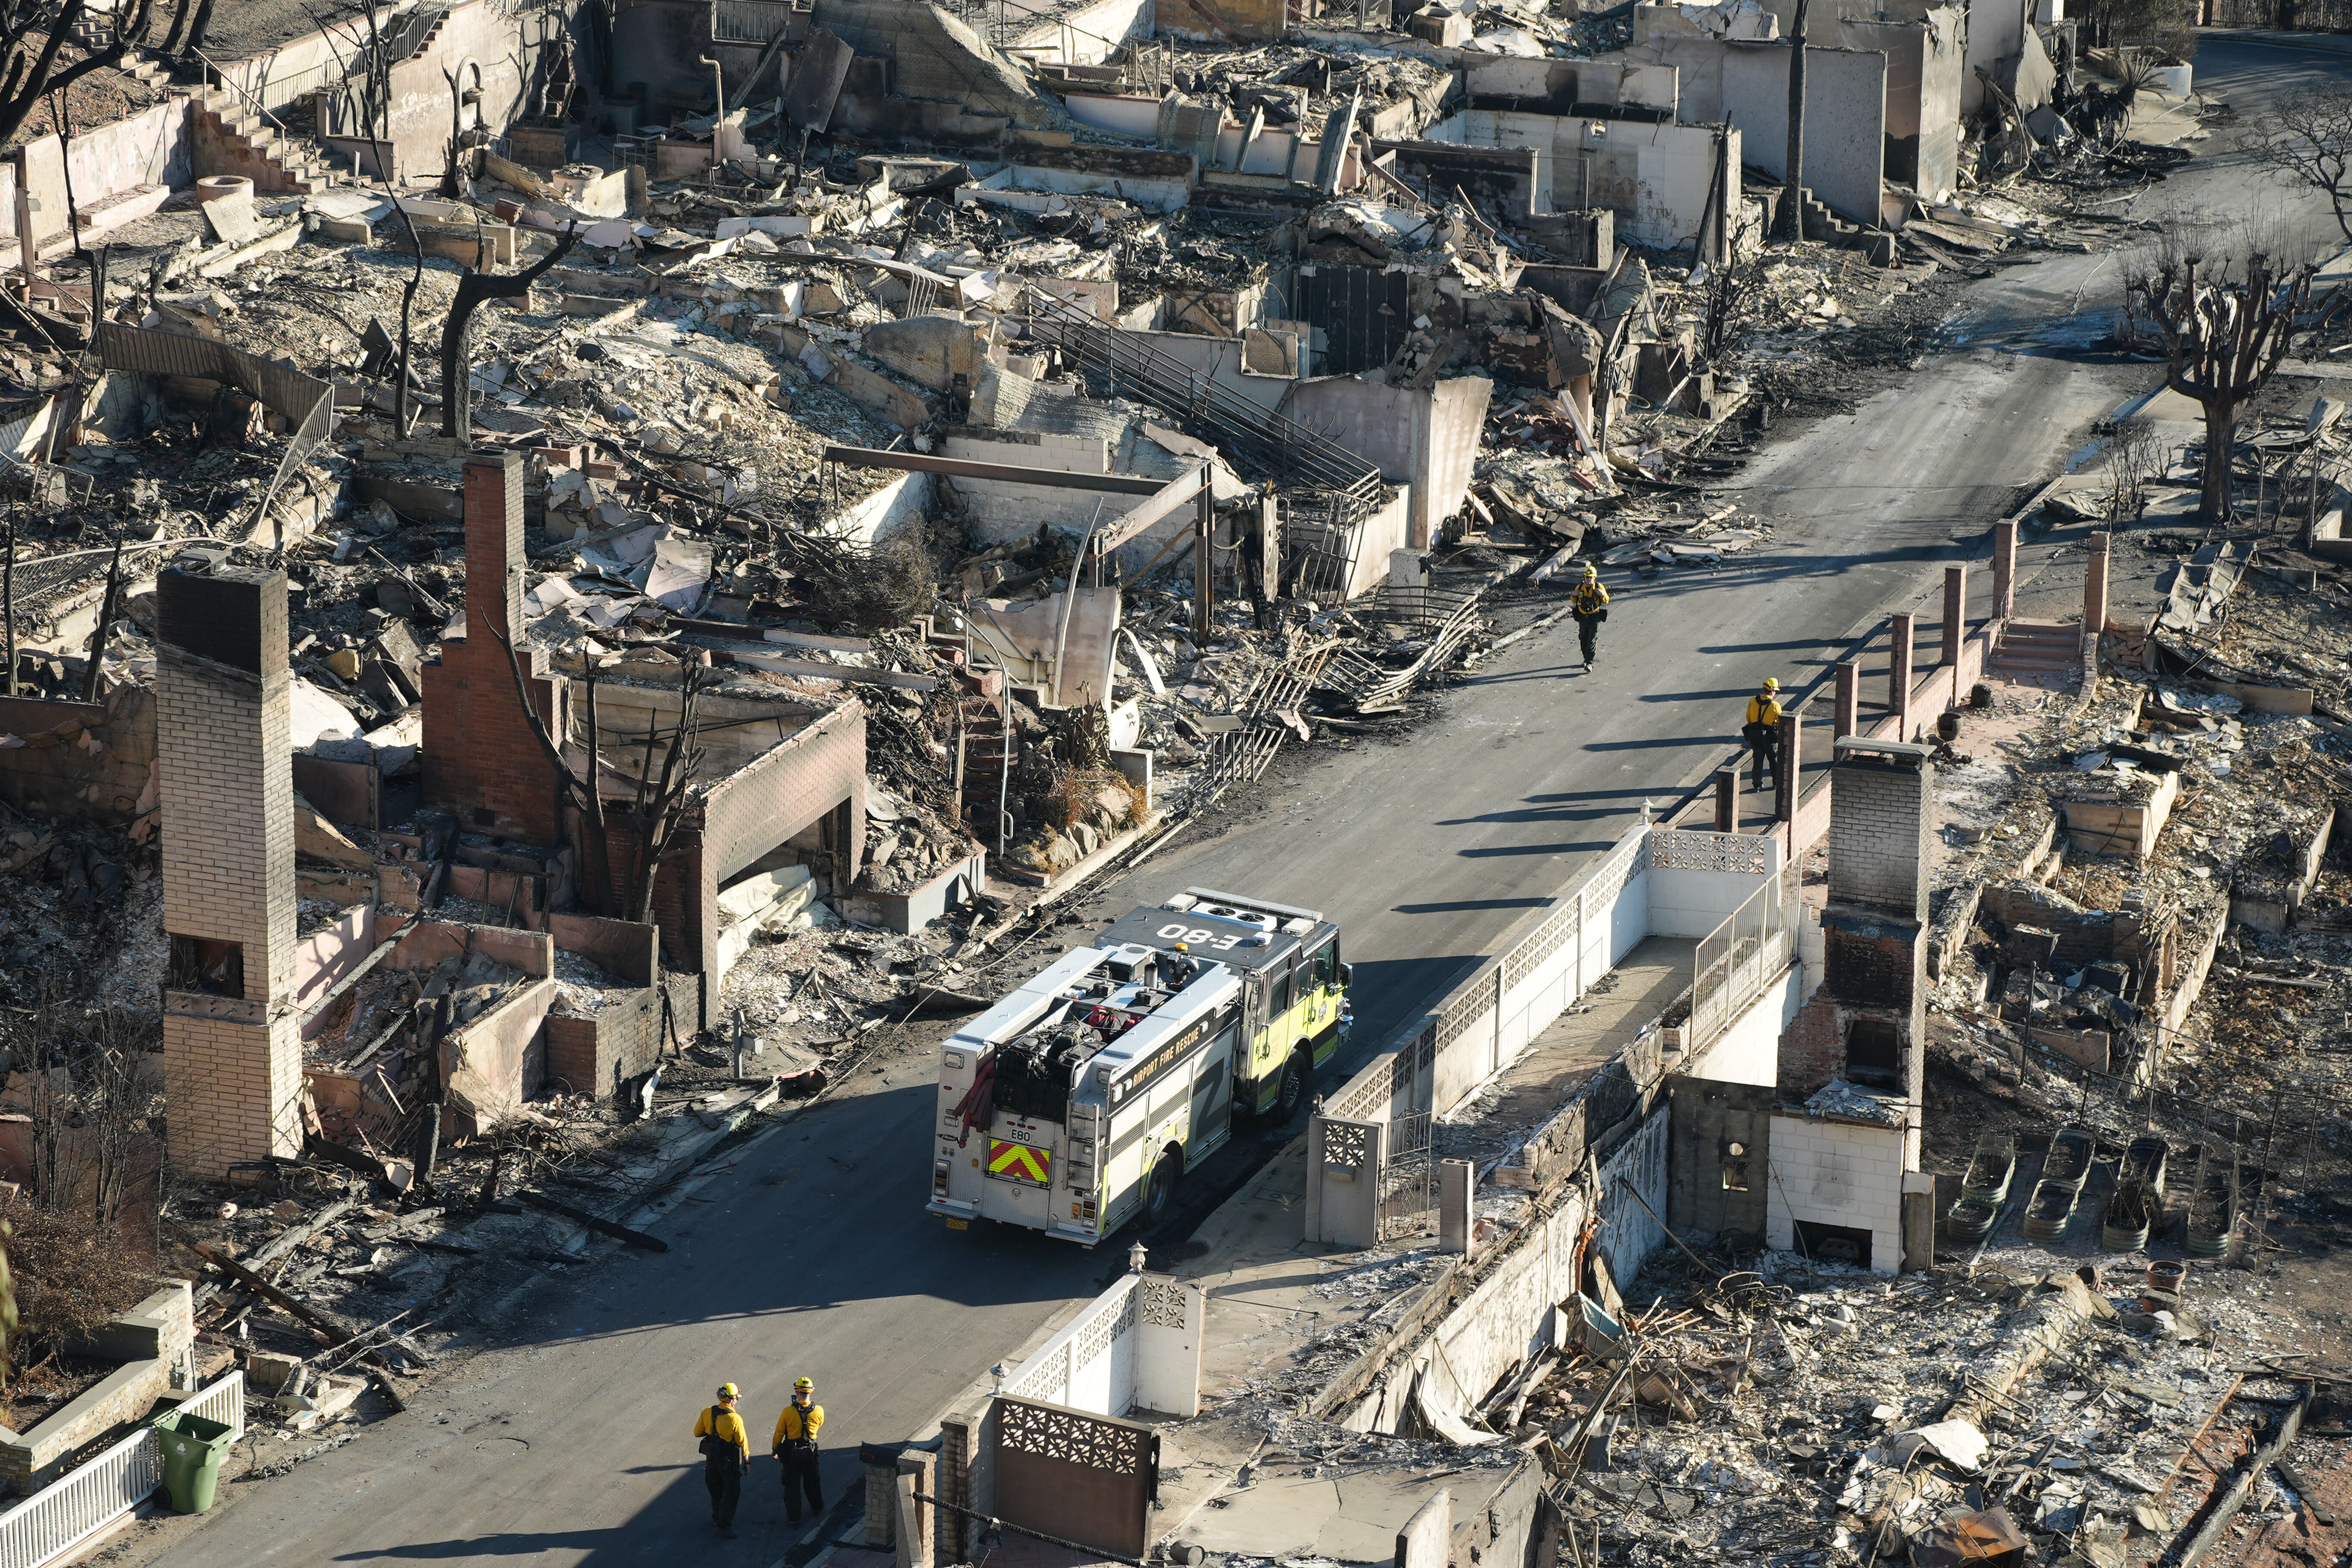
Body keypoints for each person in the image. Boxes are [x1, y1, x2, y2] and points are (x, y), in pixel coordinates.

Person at [693, 1383, 752, 1538]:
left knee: (715, 1488)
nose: (737, 1401)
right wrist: (747, 1462)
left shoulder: (708, 1412)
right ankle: (724, 1524)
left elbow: (697, 1433)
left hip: (712, 1459)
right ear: (731, 1400)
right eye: (737, 1399)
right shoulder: (735, 1419)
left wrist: (712, 1431)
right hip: (728, 1461)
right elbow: (742, 1442)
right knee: (732, 1491)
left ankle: (717, 1516)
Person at [774, 1376, 826, 1526]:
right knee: (813, 1482)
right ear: (811, 1392)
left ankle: (794, 1518)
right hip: (810, 1453)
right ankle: (817, 1508)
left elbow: (779, 1433)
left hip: (791, 1454)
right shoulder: (819, 1411)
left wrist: (775, 1449)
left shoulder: (788, 1412)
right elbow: (819, 1425)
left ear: (797, 1392)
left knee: (792, 1487)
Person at [1743, 678, 1783, 791]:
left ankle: (1757, 785)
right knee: (1774, 761)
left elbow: (1749, 718)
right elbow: (1781, 723)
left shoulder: (1753, 701)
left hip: (1755, 736)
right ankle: (1776, 783)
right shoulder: (1775, 705)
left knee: (1757, 761)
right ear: (1772, 691)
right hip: (1770, 738)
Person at [1568, 564, 1609, 671]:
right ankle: (1586, 659)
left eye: (1591, 577)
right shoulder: (1580, 587)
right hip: (1583, 617)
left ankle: (1590, 663)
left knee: (1592, 639)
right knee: (1583, 638)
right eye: (1587, 577)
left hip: (1595, 617)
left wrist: (1603, 595)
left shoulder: (1599, 587)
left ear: (1595, 578)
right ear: (1584, 577)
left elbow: (1606, 601)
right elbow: (1574, 601)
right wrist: (1574, 595)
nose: (1589, 579)